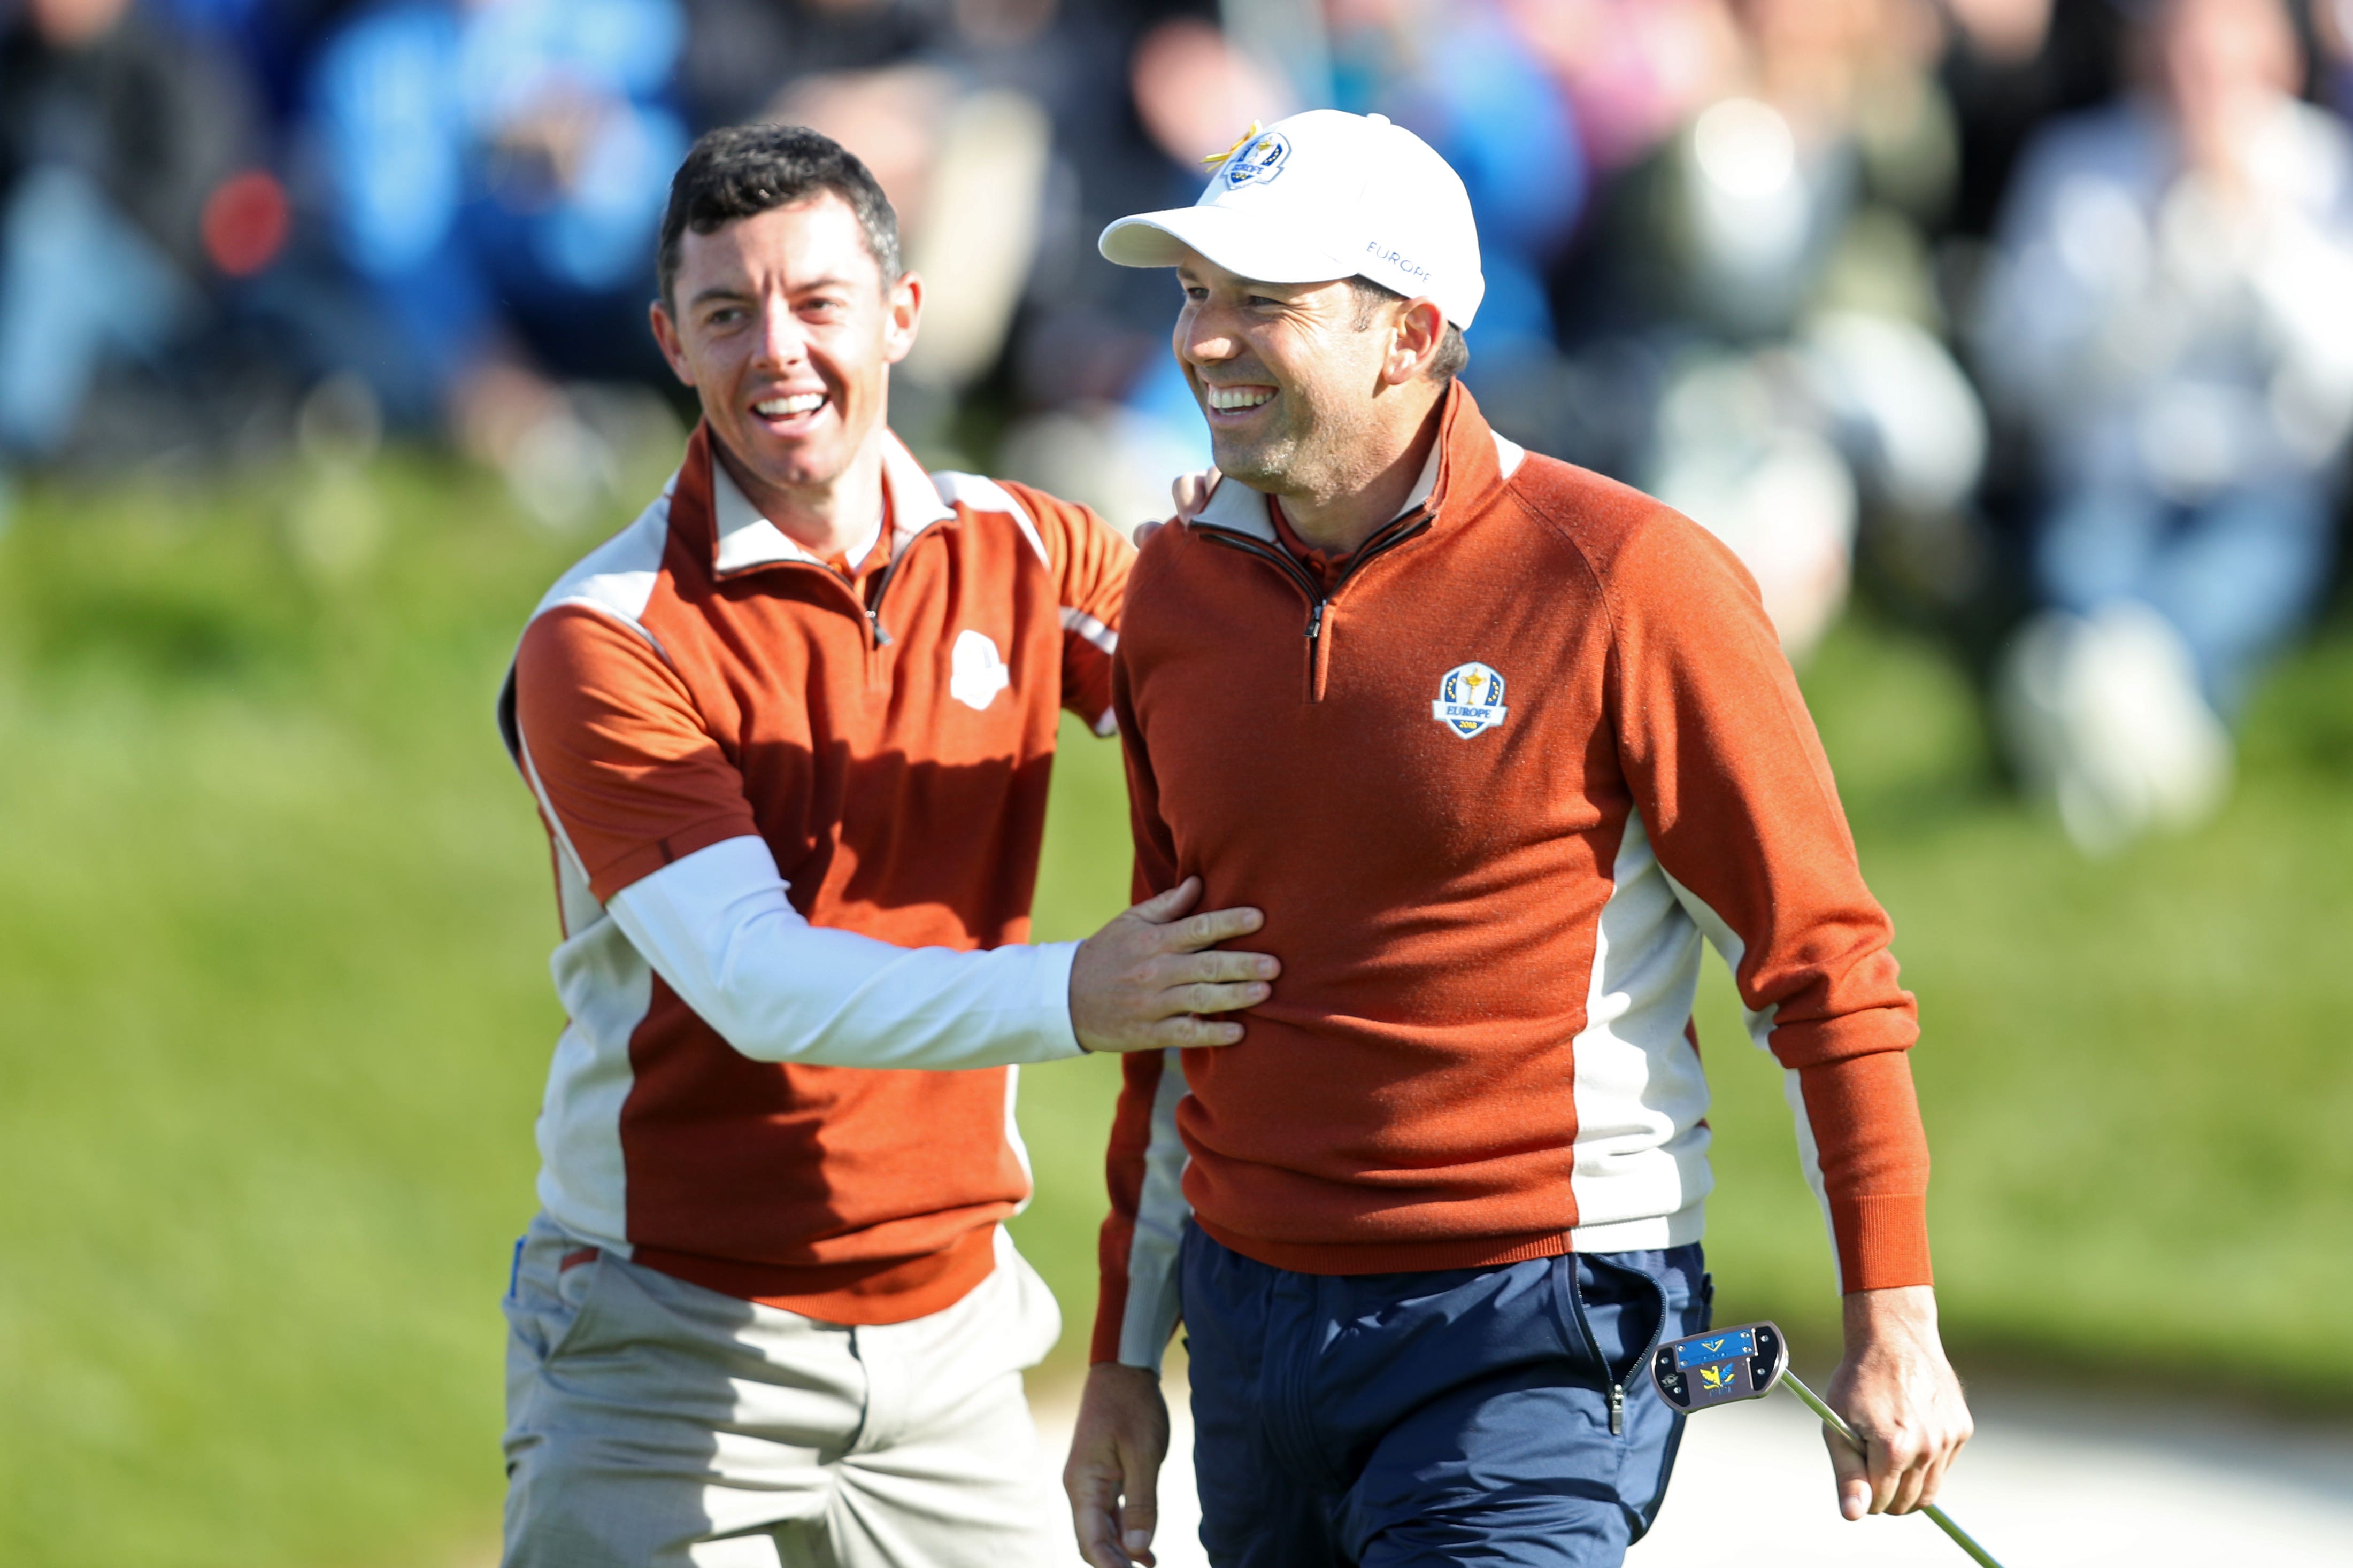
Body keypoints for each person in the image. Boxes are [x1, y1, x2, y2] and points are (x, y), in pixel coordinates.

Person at [1062, 109, 1974, 1568]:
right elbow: (1171, 1009)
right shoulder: (1171, 593)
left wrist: (1897, 1319)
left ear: (1410, 333)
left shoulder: (1629, 580)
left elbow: (1823, 968)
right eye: (1193, 295)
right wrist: (1122, 1360)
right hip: (1247, 1324)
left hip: (1538, 1325)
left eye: (1264, 305)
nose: (1205, 343)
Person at [495, 122, 1281, 1568]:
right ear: (671, 340)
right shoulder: (601, 641)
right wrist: (1076, 994)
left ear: (904, 314)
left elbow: (1246, 707)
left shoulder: (1022, 546)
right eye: (727, 315)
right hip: (664, 1354)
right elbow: (758, 983)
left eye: (818, 303)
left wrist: (1267, 567)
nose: (776, 351)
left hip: (951, 1354)